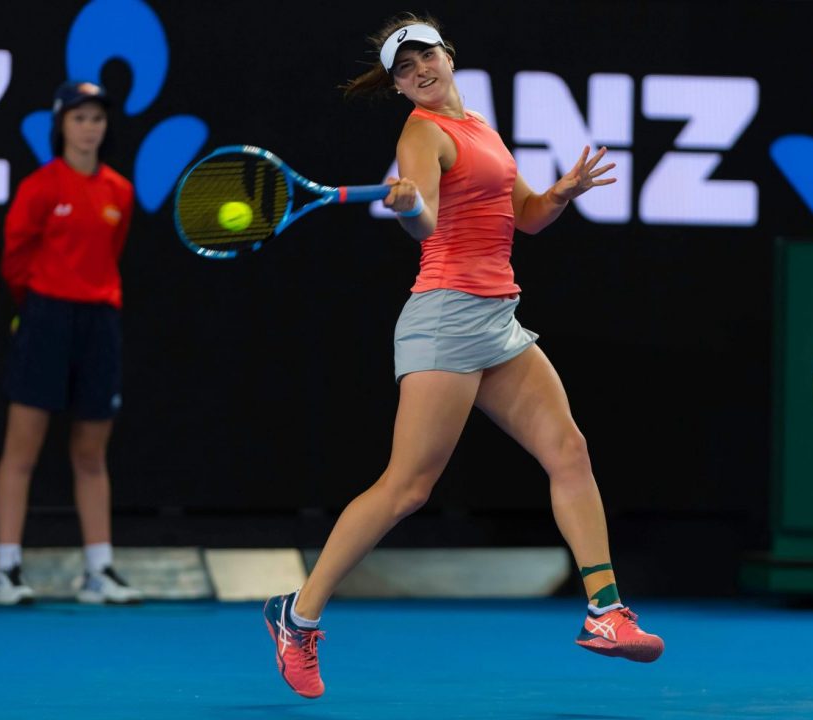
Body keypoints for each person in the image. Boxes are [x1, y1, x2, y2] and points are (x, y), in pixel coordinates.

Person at [263, 14, 663, 698]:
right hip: (446, 316)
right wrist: (409, 204)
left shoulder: (480, 128)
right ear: (398, 86)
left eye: (425, 56)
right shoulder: (421, 133)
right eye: (404, 68)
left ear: (448, 56)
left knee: (569, 452)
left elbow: (527, 216)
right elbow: (424, 222)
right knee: (406, 488)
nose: (418, 71)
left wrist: (562, 193)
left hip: (497, 319)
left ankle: (606, 611)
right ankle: (297, 618)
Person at [0, 80, 141, 605]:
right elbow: (14, 260)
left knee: (91, 452)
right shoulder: (40, 187)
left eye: (97, 118)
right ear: (61, 125)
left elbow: (111, 253)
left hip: (100, 322)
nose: (89, 127)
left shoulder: (119, 191)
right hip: (45, 318)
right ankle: (7, 570)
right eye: (79, 118)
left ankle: (99, 571)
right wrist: (38, 307)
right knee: (22, 449)